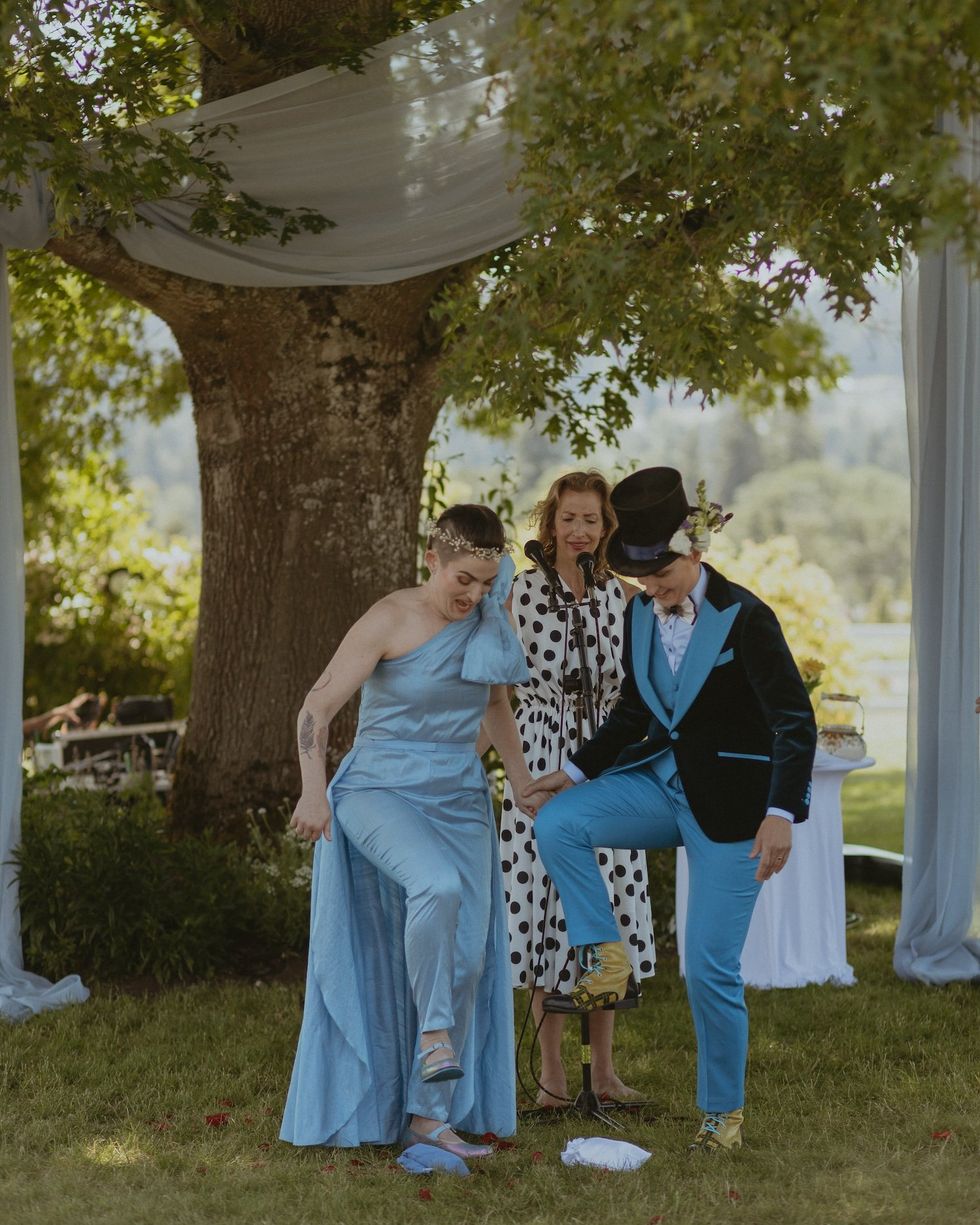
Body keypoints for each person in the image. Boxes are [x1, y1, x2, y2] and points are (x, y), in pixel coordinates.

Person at [526, 467, 817, 1153]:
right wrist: (571, 771)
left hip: (735, 809)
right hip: (661, 784)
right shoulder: (637, 612)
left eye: (661, 574)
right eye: (641, 574)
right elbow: (635, 709)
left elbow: (793, 722)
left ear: (696, 550)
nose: (651, 588)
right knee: (558, 822)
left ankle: (723, 1116)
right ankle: (606, 956)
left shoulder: (748, 617)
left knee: (710, 966)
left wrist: (782, 811)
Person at [281, 505, 534, 1158]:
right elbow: (317, 704)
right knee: (436, 883)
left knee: (470, 958)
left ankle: (429, 1118)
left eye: (486, 582)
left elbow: (497, 703)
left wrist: (523, 781)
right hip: (377, 790)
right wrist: (313, 789)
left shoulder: (487, 616)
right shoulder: (390, 617)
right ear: (432, 560)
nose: (474, 595)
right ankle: (433, 1038)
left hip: (460, 798)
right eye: (463, 580)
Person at [498, 470, 655, 1107]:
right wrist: (519, 777)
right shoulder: (521, 591)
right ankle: (553, 1076)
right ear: (551, 523)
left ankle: (606, 1073)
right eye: (570, 519)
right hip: (538, 754)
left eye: (591, 520)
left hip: (607, 758)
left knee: (604, 910)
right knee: (546, 911)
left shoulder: (622, 596)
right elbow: (495, 688)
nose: (580, 531)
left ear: (606, 527)